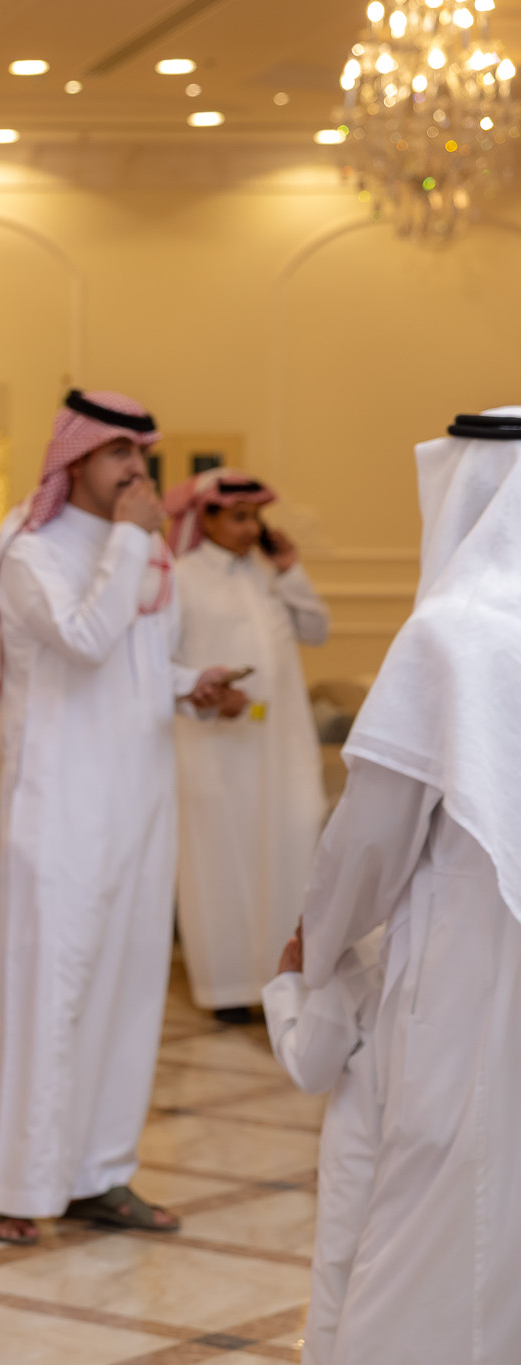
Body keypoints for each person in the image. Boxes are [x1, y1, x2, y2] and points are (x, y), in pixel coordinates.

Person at [0, 389, 243, 1245]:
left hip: (141, 799)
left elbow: (138, 661)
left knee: (130, 987)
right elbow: (86, 640)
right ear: (76, 459)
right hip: (61, 808)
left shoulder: (142, 551)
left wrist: (193, 685)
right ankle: (20, 1186)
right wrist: (129, 536)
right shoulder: (31, 553)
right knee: (55, 987)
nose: (135, 469)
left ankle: (100, 1173)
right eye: (119, 453)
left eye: (141, 455)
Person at [294, 408, 521, 1362]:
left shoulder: (452, 636)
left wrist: (315, 940)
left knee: (435, 1220)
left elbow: (369, 844)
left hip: (468, 981)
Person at [167, 470, 330, 1022]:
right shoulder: (182, 578)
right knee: (221, 859)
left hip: (282, 745)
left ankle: (281, 977)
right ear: (206, 519)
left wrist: (290, 569)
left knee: (291, 844)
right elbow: (160, 662)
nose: (250, 528)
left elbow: (317, 630)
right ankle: (228, 987)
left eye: (255, 517)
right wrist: (207, 694)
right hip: (216, 746)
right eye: (238, 517)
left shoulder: (267, 573)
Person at [261, 923, 381, 1365]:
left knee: (341, 1280)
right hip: (453, 1148)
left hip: (365, 1150)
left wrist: (287, 989)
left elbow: (311, 1067)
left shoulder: (363, 955)